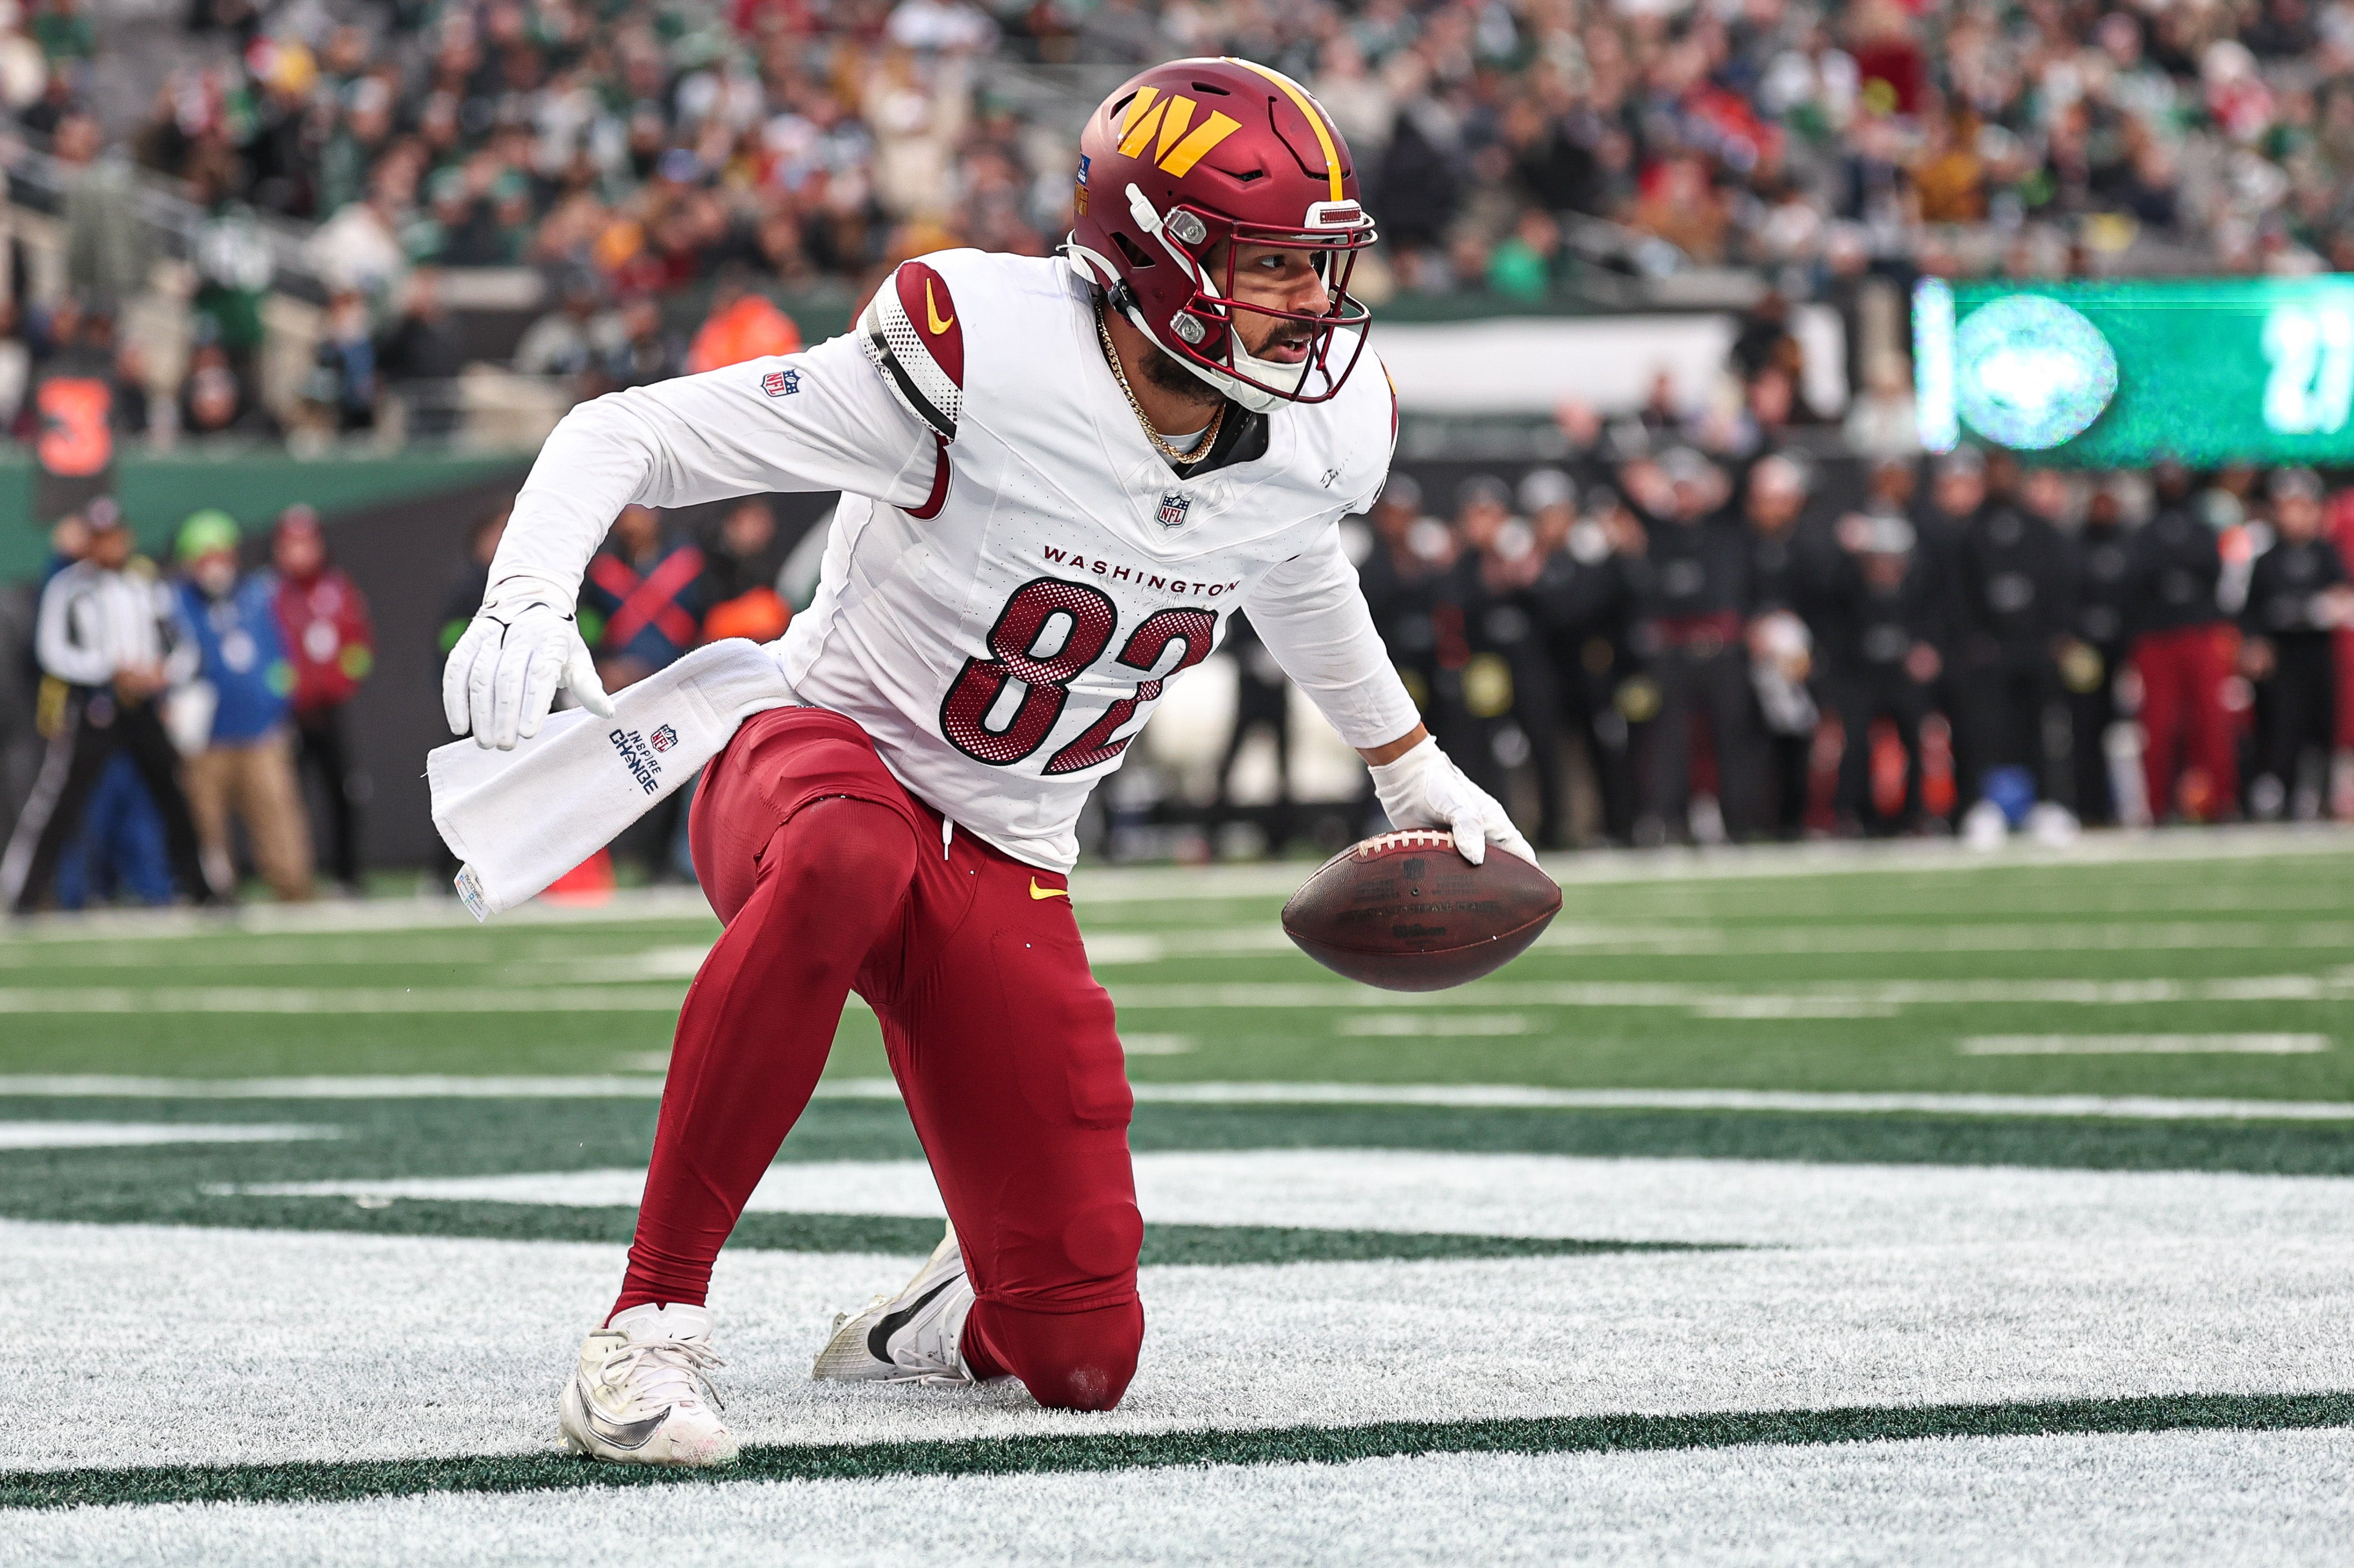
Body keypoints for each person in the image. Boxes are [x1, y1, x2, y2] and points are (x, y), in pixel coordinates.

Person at [439, 57, 1527, 1467]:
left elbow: (1292, 556)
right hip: (806, 763)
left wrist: (1408, 761)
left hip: (1008, 845)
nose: (1311, 304)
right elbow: (625, 431)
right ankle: (645, 1326)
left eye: (1320, 267)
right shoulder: (978, 351)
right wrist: (527, 591)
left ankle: (952, 1304)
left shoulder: (1323, 427)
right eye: (1272, 268)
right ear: (1167, 259)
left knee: (1082, 1358)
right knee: (850, 850)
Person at [2, 501, 214, 911]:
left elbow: (182, 645)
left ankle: (204, 888)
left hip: (143, 707)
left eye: (114, 536)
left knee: (174, 795)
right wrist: (110, 670)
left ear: (126, 538)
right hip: (95, 706)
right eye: (99, 538)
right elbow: (52, 652)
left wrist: (161, 672)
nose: (109, 546)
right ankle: (23, 895)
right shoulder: (69, 586)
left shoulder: (146, 585)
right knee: (57, 803)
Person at [175, 511, 314, 902]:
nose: (215, 566)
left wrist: (277, 707)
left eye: (221, 555)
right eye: (205, 557)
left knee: (277, 815)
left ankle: (292, 887)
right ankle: (215, 891)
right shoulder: (175, 603)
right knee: (206, 823)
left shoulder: (255, 597)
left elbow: (277, 658)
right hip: (205, 738)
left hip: (260, 732)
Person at [271, 506, 375, 894]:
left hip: (331, 710)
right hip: (289, 714)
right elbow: (269, 651)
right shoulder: (271, 593)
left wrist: (344, 679)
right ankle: (293, 879)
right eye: (291, 545)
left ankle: (347, 875)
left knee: (345, 791)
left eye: (306, 543)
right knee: (286, 801)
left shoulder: (338, 587)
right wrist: (284, 688)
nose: (299, 553)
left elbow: (358, 643)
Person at [2240, 470, 2351, 819]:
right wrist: (2255, 644)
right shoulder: (2267, 559)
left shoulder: (2326, 554)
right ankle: (2281, 797)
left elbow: (2344, 596)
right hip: (2283, 658)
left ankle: (2320, 797)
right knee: (2283, 729)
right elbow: (2251, 612)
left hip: (2317, 653)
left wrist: (2326, 606)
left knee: (2322, 728)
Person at [2127, 461, 2235, 821]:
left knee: (2212, 721)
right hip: (2157, 638)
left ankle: (2220, 800)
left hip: (2198, 633)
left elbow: (2216, 580)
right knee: (2157, 725)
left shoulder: (2204, 532)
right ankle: (2157, 805)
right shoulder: (2143, 536)